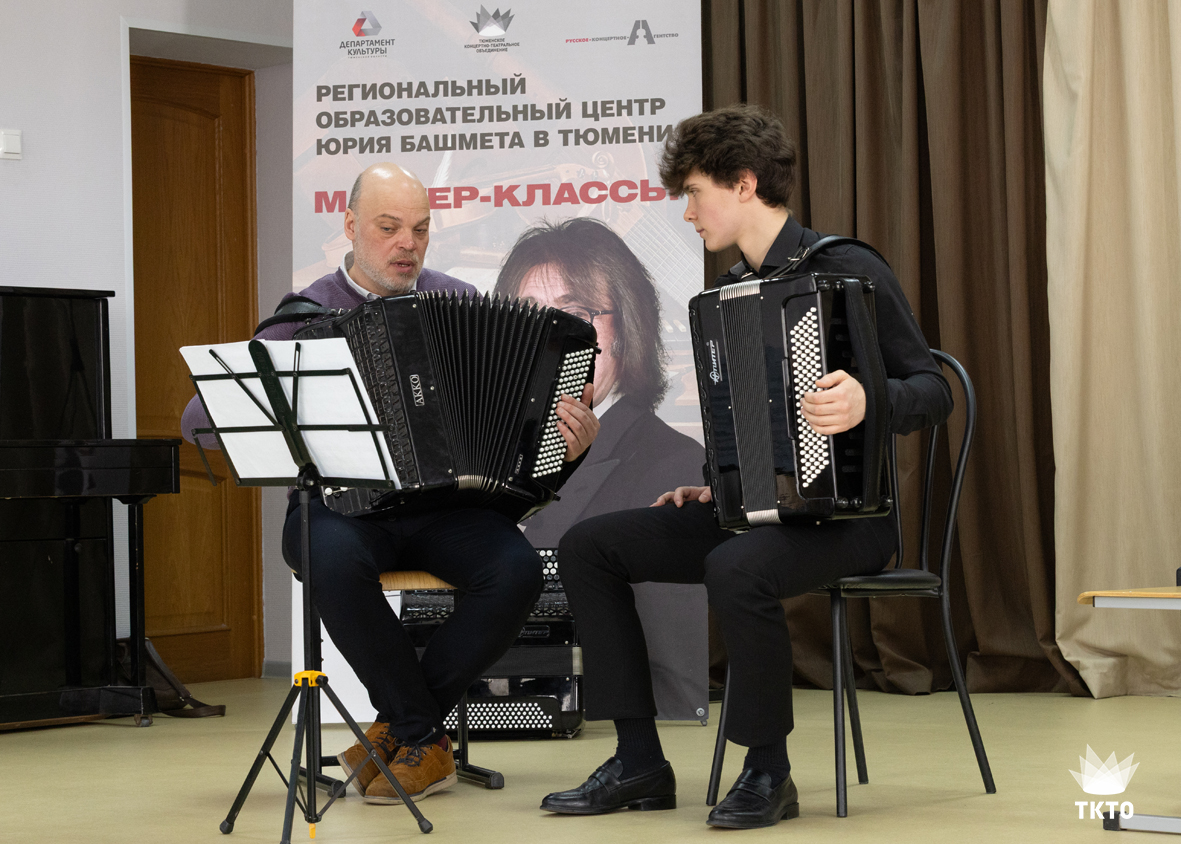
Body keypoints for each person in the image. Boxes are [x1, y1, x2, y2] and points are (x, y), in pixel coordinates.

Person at [540, 105, 952, 828]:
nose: (687, 212)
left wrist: (868, 398)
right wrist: (720, 483)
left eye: (695, 193)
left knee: (736, 568)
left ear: (743, 183)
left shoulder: (848, 268)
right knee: (588, 546)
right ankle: (638, 761)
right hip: (755, 513)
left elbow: (933, 389)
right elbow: (750, 424)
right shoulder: (730, 292)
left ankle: (767, 771)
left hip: (850, 522)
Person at [180, 163, 599, 805]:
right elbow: (199, 420)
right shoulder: (305, 313)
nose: (408, 243)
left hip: (446, 509)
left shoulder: (458, 300)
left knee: (516, 570)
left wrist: (564, 442)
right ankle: (422, 736)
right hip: (342, 510)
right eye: (388, 227)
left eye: (421, 229)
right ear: (350, 226)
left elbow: (515, 432)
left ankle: (398, 731)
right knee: (325, 553)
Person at [493, 219, 707, 718]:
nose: (551, 334)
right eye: (530, 315)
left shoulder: (674, 464)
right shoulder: (490, 457)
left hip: (596, 724)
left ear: (626, 330)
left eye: (575, 313)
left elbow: (673, 678)